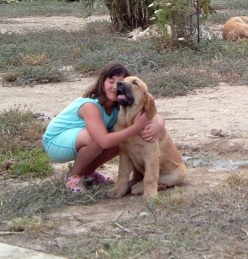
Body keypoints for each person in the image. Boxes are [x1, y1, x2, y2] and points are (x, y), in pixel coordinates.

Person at [42, 62, 165, 193]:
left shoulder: (119, 106)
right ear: (102, 83)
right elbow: (103, 141)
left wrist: (158, 124)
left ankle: (88, 173)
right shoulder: (90, 105)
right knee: (99, 139)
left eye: (120, 83)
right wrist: (137, 127)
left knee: (120, 140)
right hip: (55, 143)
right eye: (111, 81)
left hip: (78, 139)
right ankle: (73, 177)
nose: (115, 86)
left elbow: (153, 113)